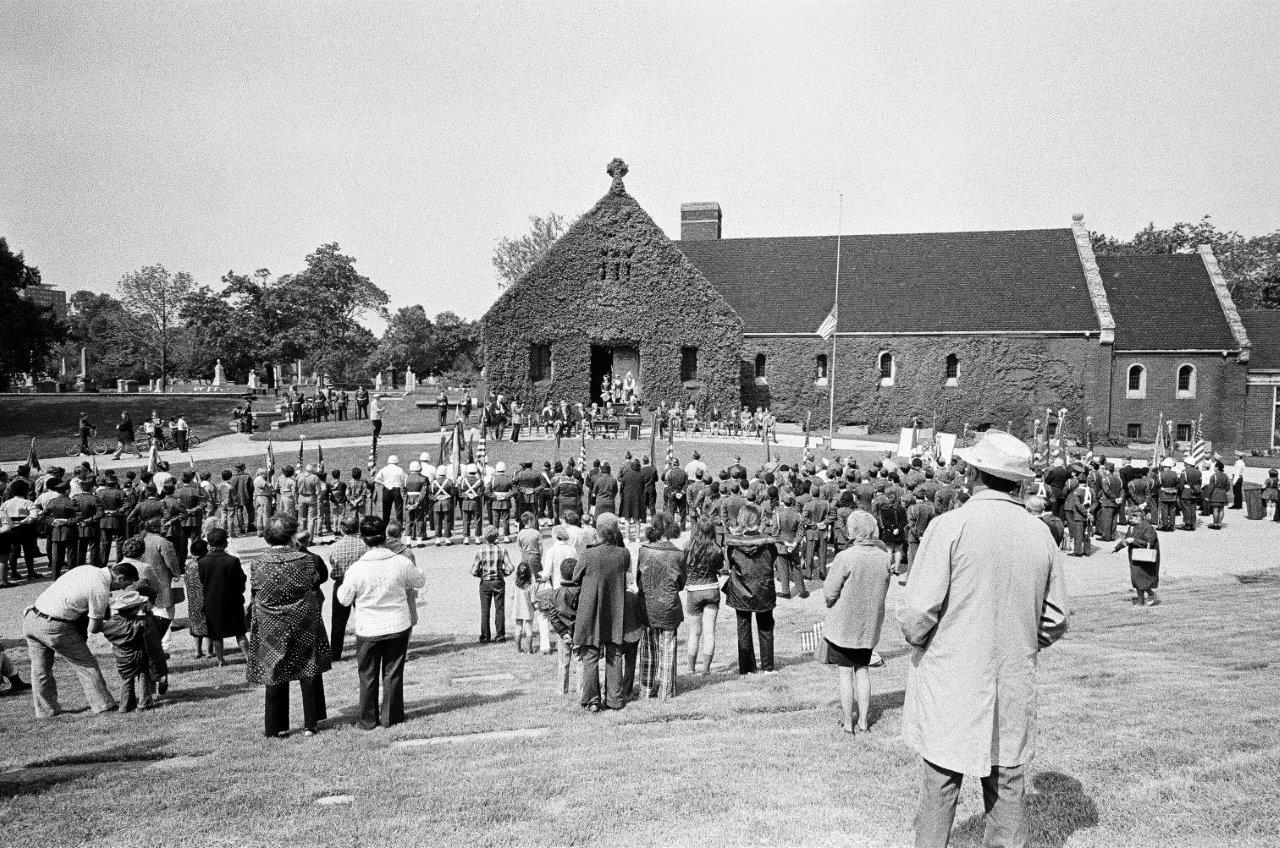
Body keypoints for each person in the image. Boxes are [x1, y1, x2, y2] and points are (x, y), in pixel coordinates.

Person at [898, 430, 1070, 848]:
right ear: (1019, 482)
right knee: (1007, 781)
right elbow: (1057, 617)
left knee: (941, 779)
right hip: (1011, 674)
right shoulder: (1039, 533)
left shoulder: (950, 526)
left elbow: (918, 611)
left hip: (952, 673)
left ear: (975, 475)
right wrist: (1020, 640)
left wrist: (925, 642)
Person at [336, 515, 425, 730]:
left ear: (363, 538)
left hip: (369, 627)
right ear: (384, 535)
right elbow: (420, 580)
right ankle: (391, 716)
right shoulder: (400, 562)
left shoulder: (356, 569)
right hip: (396, 625)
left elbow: (344, 599)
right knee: (393, 672)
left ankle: (367, 719)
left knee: (367, 674)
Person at [248, 514, 332, 738]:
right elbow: (313, 583)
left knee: (274, 670)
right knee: (307, 668)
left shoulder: (257, 562)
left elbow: (256, 592)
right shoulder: (304, 560)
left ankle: (275, 726)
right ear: (292, 535)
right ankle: (310, 723)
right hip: (302, 619)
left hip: (271, 622)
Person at [23, 560, 138, 717]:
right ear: (121, 578)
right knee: (86, 664)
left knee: (40, 669)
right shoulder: (100, 589)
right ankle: (103, 705)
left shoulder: (88, 569)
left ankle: (46, 711)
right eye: (125, 584)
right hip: (55, 627)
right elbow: (93, 628)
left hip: (32, 617)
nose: (123, 589)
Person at [823, 512, 891, 735]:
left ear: (853, 531)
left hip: (844, 624)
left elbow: (829, 593)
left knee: (845, 672)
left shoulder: (845, 557)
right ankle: (862, 721)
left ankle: (847, 721)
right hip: (869, 625)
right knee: (862, 671)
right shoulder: (884, 558)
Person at [573, 514, 630, 711]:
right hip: (615, 610)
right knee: (615, 653)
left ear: (598, 536)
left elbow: (575, 575)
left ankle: (592, 700)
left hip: (591, 608)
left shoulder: (588, 554)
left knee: (590, 655)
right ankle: (614, 699)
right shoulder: (623, 554)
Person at [723, 504, 778, 675]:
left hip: (742, 589)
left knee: (744, 627)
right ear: (757, 520)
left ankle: (747, 668)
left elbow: (729, 563)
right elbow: (773, 559)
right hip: (762, 589)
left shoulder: (734, 544)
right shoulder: (767, 543)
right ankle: (766, 667)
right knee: (765, 627)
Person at [636, 514, 686, 700]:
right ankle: (666, 690)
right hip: (669, 606)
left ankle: (646, 690)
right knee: (668, 648)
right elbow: (681, 583)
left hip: (647, 605)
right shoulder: (678, 554)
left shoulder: (644, 550)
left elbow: (639, 581)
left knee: (648, 650)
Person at [100, 588, 166, 712]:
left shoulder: (110, 624)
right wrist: (147, 613)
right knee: (143, 676)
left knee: (126, 679)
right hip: (138, 656)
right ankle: (144, 702)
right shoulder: (139, 623)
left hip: (121, 658)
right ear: (134, 610)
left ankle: (125, 706)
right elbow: (152, 624)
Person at [198, 528, 248, 665]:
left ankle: (220, 660)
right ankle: (249, 658)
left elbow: (203, 580)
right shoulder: (232, 561)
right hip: (233, 600)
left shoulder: (202, 562)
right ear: (225, 542)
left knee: (216, 633)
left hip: (211, 601)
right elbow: (241, 580)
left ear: (209, 544)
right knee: (240, 631)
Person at [326, 515, 367, 661]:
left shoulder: (334, 546)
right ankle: (366, 650)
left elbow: (333, 565)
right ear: (357, 528)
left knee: (338, 621)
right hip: (361, 584)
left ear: (342, 529)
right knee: (364, 617)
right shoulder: (364, 544)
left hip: (341, 583)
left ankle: (335, 653)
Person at [471, 525, 513, 642]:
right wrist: (504, 573)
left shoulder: (480, 551)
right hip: (498, 581)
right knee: (499, 609)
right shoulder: (502, 550)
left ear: (485, 537)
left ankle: (485, 636)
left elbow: (473, 570)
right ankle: (500, 635)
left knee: (485, 610)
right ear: (496, 537)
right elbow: (510, 567)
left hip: (485, 582)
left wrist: (481, 574)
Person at [1115, 505, 1161, 606]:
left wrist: (1134, 540)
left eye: (1131, 517)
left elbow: (1150, 543)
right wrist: (1117, 548)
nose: (1129, 520)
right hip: (1134, 557)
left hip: (1146, 559)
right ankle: (1142, 601)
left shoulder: (1148, 528)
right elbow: (1126, 540)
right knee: (1136, 580)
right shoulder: (1131, 527)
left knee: (1143, 581)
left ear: (1139, 517)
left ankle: (1150, 595)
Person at [185, 537, 210, 658]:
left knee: (196, 625)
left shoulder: (189, 566)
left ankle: (197, 651)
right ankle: (209, 651)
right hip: (206, 598)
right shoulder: (207, 564)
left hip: (193, 600)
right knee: (209, 625)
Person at [374, 455, 407, 526]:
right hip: (397, 489)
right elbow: (405, 479)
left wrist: (384, 483)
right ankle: (399, 525)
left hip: (386, 489)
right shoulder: (400, 469)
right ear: (396, 462)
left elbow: (376, 479)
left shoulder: (384, 469)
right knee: (398, 509)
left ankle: (385, 525)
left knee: (386, 509)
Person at [1205, 460, 1231, 530]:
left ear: (1217, 467)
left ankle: (1215, 524)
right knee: (1221, 509)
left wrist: (1208, 496)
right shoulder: (1226, 476)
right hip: (1223, 493)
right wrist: (1224, 491)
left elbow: (1211, 487)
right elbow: (1228, 487)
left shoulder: (1213, 476)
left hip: (1215, 493)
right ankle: (1219, 524)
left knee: (1215, 509)